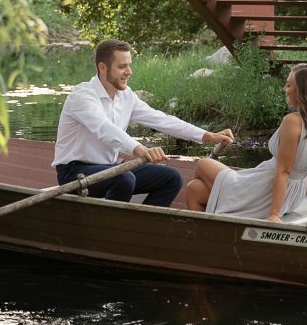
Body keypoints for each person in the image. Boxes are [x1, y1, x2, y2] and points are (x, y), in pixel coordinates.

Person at [53, 39, 234, 208]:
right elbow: (104, 129)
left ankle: (141, 226)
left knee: (171, 178)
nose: (129, 72)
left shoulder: (126, 96)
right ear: (102, 67)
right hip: (74, 172)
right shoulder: (82, 96)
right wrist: (141, 149)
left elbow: (161, 119)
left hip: (109, 169)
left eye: (129, 65)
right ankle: (112, 230)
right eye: (122, 66)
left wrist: (206, 135)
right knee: (124, 178)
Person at [185, 62, 307, 222]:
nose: (284, 89)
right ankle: (213, 233)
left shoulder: (292, 121)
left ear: (302, 92)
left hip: (266, 190)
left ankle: (223, 214)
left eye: (289, 85)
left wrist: (274, 214)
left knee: (203, 164)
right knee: (194, 190)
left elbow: (284, 171)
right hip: (292, 196)